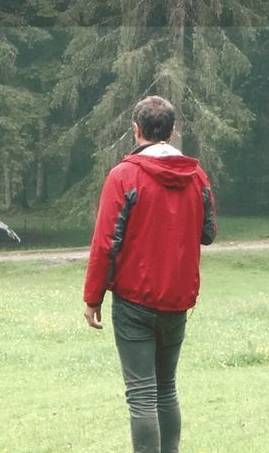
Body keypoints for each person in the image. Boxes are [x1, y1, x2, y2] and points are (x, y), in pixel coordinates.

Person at [82, 95, 218, 453]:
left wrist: (92, 298)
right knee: (166, 387)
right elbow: (209, 232)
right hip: (176, 300)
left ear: (136, 129)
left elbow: (105, 244)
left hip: (133, 301)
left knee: (141, 395)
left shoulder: (123, 176)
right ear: (172, 132)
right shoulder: (197, 176)